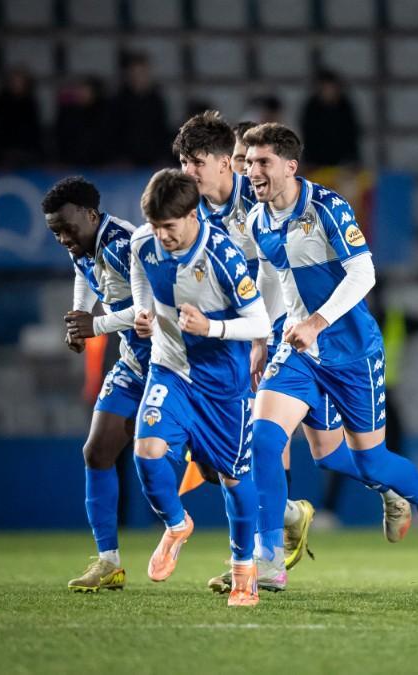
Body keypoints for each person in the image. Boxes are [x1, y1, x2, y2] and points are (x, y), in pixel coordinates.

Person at [244, 122, 418, 565]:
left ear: (290, 166)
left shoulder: (327, 206)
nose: (252, 171)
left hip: (351, 351)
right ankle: (269, 558)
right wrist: (262, 338)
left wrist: (317, 322)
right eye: (247, 163)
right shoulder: (258, 219)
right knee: (263, 439)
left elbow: (364, 273)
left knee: (370, 462)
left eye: (262, 162)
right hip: (297, 349)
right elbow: (269, 276)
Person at [128, 169, 272, 607]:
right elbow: (139, 273)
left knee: (233, 477)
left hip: (223, 386)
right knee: (147, 452)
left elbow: (261, 323)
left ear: (192, 215)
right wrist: (142, 311)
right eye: (155, 227)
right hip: (170, 369)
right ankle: (176, 525)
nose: (161, 236)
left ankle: (245, 570)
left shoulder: (223, 256)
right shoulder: (142, 242)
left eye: (169, 227)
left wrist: (212, 326)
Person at [43, 177, 149, 592]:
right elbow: (84, 275)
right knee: (97, 451)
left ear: (91, 214)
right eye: (56, 232)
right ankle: (109, 562)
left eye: (68, 228)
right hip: (134, 362)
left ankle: (282, 516)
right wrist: (77, 316)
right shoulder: (84, 245)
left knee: (213, 465)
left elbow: (148, 312)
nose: (64, 238)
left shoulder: (127, 245)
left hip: (173, 362)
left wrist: (96, 325)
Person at [109, 52, 170, 167]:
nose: (138, 77)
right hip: (125, 164)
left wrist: (163, 157)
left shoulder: (157, 100)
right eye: (134, 73)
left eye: (142, 72)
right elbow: (113, 133)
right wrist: (119, 158)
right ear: (127, 74)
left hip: (153, 161)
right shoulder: (118, 101)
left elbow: (162, 131)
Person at [299, 70, 361, 169]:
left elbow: (352, 135)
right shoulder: (311, 108)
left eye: (330, 87)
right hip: (316, 163)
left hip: (342, 163)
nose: (328, 91)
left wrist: (352, 160)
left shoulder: (345, 107)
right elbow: (308, 136)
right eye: (324, 88)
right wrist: (309, 160)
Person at [0, 65, 42, 166]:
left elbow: (33, 130)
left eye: (20, 80)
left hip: (25, 151)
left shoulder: (30, 103)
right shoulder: (1, 101)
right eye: (14, 80)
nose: (17, 84)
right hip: (3, 151)